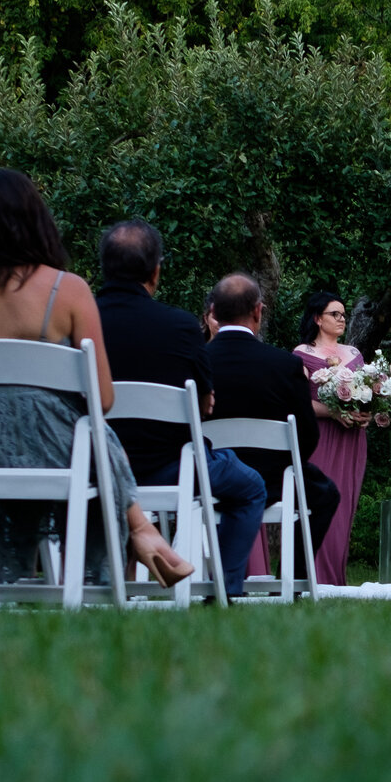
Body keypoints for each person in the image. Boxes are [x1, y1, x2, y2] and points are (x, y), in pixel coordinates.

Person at [0, 168, 191, 588]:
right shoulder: (67, 289)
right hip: (58, 452)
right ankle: (137, 531)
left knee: (81, 435)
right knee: (94, 434)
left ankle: (16, 574)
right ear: (37, 218)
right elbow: (102, 399)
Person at [92, 218, 268, 589]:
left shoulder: (81, 321)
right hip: (169, 468)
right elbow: (204, 405)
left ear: (104, 268)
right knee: (250, 485)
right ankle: (225, 586)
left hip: (94, 466)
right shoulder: (180, 325)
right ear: (155, 272)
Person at [203, 272, 342, 591]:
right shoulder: (283, 364)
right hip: (276, 481)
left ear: (214, 313)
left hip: (209, 477)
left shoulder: (198, 360)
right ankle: (289, 581)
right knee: (325, 493)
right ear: (257, 311)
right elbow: (307, 437)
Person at [294, 288, 368, 584]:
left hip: (352, 439)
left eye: (343, 315)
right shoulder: (302, 354)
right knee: (322, 503)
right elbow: (298, 401)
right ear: (317, 318)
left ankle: (336, 579)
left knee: (345, 509)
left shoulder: (353, 354)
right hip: (320, 436)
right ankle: (313, 577)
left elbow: (367, 395)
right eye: (334, 314)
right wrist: (333, 412)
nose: (341, 319)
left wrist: (367, 414)